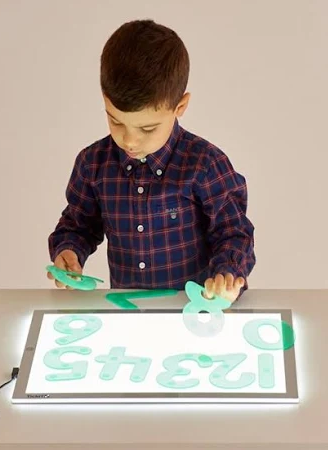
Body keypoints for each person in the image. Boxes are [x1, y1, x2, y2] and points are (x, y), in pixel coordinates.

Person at [47, 19, 256, 302]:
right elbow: (79, 225)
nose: (129, 141)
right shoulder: (93, 164)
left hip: (196, 312)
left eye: (147, 129)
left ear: (180, 106)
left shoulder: (205, 165)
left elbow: (233, 233)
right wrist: (68, 251)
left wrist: (227, 274)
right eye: (116, 121)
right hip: (128, 313)